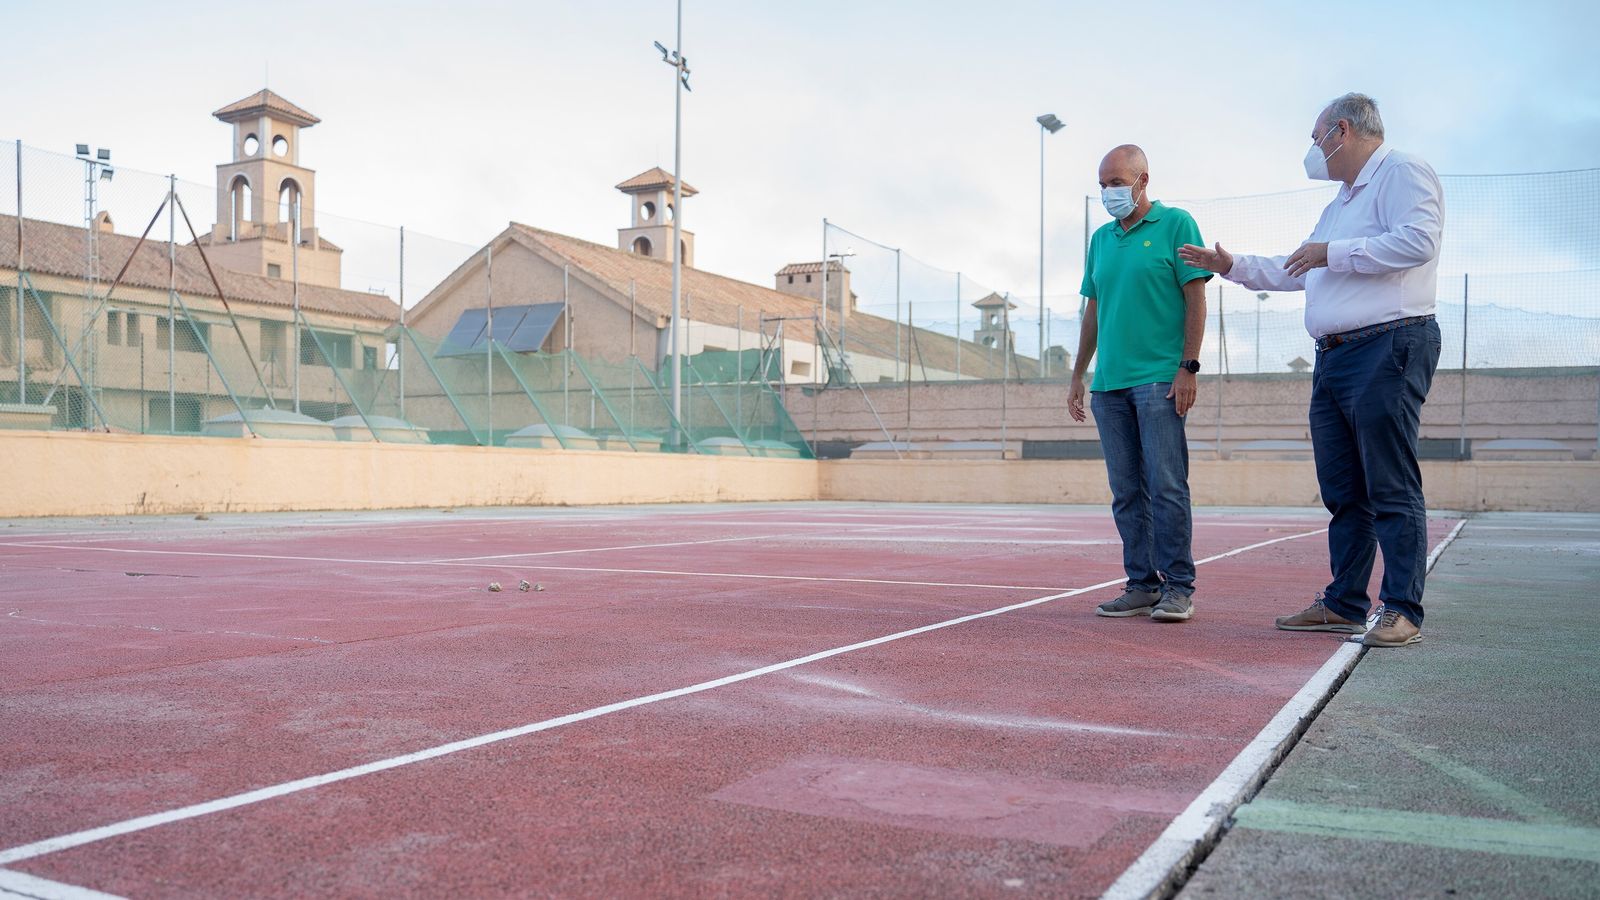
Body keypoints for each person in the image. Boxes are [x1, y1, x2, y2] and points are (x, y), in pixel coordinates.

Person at [1179, 93, 1443, 647]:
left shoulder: (1402, 171)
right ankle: (1345, 604)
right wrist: (1232, 266)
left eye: (1315, 137)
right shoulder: (1341, 203)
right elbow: (1301, 265)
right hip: (1336, 356)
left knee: (1389, 483)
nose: (1313, 150)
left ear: (1340, 131)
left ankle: (1402, 609)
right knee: (1345, 490)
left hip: (1388, 343)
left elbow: (1418, 242)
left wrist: (1334, 252)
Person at [1070, 145, 1211, 623]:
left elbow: (1195, 298)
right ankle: (1141, 585)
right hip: (1109, 385)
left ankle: (1179, 588)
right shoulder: (1101, 240)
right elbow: (1093, 309)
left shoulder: (1176, 224)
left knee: (1167, 485)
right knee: (1127, 490)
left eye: (1116, 182)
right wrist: (1078, 373)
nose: (1109, 191)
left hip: (1160, 380)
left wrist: (1188, 366)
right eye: (1103, 184)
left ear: (1142, 179)